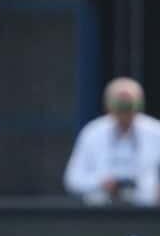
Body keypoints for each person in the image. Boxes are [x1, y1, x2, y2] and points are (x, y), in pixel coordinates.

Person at [64, 76, 160, 206]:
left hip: (146, 211)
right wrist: (102, 183)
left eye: (129, 106)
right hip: (103, 212)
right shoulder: (92, 132)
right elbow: (72, 180)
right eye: (120, 106)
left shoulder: (156, 132)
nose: (125, 113)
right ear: (108, 105)